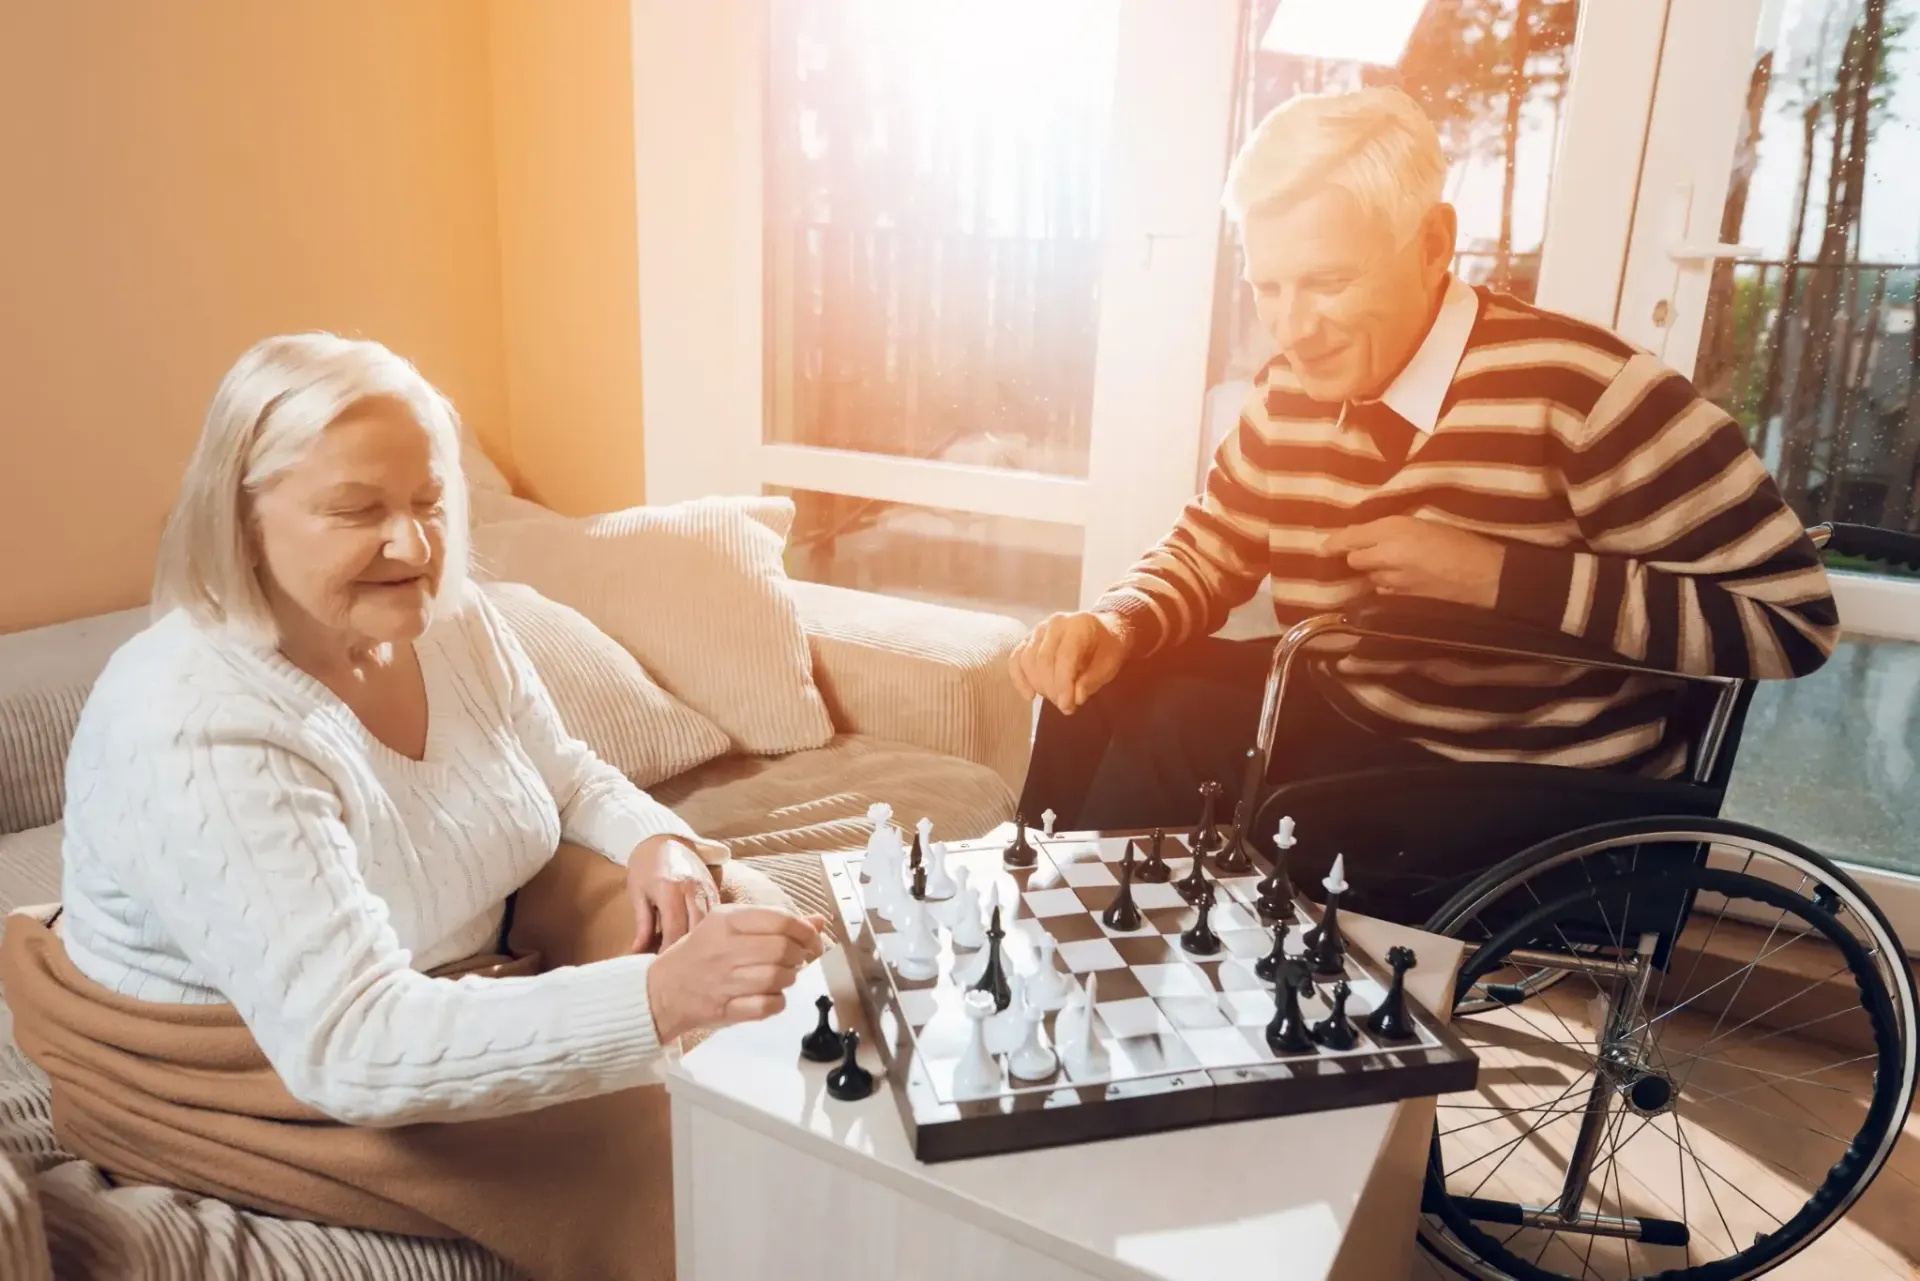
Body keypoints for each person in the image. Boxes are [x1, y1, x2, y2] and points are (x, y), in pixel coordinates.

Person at [1, 332, 828, 1280]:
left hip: (452, 959)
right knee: (674, 1148)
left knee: (756, 935)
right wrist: (655, 998)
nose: (415, 543)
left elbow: (561, 773)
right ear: (241, 520)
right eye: (358, 511)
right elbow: (354, 1041)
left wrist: (660, 843)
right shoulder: (196, 722)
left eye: (429, 501)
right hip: (259, 1056)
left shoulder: (451, 617)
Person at [1011, 87, 1839, 835]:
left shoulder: (1585, 394)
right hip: (1357, 714)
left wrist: (1502, 577)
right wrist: (1116, 621)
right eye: (1270, 287)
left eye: (1327, 281)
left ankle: (1089, 961)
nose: (1293, 327)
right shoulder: (1290, 393)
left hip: (1527, 779)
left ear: (1433, 244)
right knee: (1100, 687)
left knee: (1176, 726)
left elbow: (1793, 620)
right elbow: (1213, 543)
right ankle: (1041, 928)